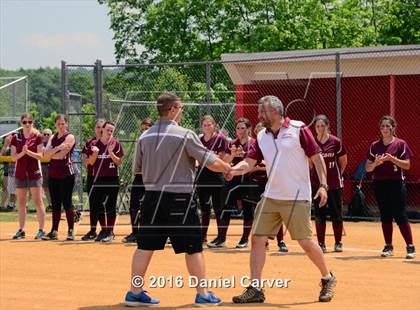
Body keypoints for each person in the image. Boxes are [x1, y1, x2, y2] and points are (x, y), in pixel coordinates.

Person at [125, 92, 231, 306]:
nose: (181, 112)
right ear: (172, 109)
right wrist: (228, 168)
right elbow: (210, 161)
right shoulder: (184, 134)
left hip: (151, 197)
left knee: (144, 247)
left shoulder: (144, 137)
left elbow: (137, 169)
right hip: (179, 200)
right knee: (193, 248)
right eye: (180, 108)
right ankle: (203, 294)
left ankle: (134, 292)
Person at [227, 96, 336, 303]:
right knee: (257, 239)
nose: (259, 115)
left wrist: (323, 185)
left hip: (297, 196)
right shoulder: (261, 136)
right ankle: (255, 289)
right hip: (271, 195)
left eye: (262, 112)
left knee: (305, 242)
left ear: (275, 112)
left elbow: (317, 157)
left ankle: (327, 278)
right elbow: (249, 162)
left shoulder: (299, 129)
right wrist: (234, 169)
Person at [365, 115, 415, 259]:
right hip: (380, 183)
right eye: (383, 126)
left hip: (396, 183)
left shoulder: (400, 144)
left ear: (393, 128)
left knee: (400, 215)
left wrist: (392, 159)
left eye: (388, 126)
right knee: (385, 215)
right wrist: (376, 163)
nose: (385, 129)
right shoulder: (375, 145)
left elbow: (407, 165)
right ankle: (388, 246)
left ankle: (410, 246)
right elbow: (368, 168)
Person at [207, 118, 254, 248]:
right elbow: (226, 162)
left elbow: (253, 162)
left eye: (243, 128)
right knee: (225, 208)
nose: (240, 131)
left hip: (247, 180)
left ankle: (244, 239)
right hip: (232, 180)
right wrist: (233, 154)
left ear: (249, 129)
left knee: (247, 209)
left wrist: (244, 156)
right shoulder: (232, 143)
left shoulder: (254, 143)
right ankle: (221, 238)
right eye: (238, 128)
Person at [310, 115, 347, 253]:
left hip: (334, 184)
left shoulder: (335, 142)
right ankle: (321, 243)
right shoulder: (312, 142)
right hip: (317, 184)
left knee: (336, 213)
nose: (320, 129)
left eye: (322, 126)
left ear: (327, 126)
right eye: (317, 126)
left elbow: (343, 161)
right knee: (320, 214)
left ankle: (338, 242)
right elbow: (310, 162)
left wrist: (337, 174)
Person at [251, 122, 288, 252]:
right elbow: (251, 164)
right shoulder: (255, 145)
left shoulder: (273, 144)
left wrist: (262, 165)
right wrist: (259, 166)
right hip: (257, 182)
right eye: (258, 130)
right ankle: (264, 240)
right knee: (259, 213)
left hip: (272, 182)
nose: (261, 133)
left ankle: (281, 241)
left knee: (277, 212)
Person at [9, 114, 46, 239]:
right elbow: (13, 157)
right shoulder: (16, 137)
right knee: (21, 202)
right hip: (20, 172)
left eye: (30, 122)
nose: (27, 124)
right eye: (25, 122)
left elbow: (41, 156)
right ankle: (21, 229)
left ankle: (41, 230)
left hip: (34, 172)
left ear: (33, 122)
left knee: (37, 201)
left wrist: (28, 152)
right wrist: (22, 153)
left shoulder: (38, 137)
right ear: (21, 123)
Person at [87, 121, 124, 243]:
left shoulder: (115, 143)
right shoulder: (94, 144)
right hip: (98, 178)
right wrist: (96, 153)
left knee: (110, 205)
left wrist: (110, 153)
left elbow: (119, 162)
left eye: (111, 130)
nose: (109, 132)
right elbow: (91, 162)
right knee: (98, 205)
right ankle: (103, 230)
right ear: (102, 129)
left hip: (112, 178)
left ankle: (110, 231)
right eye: (107, 129)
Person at [42, 114, 76, 241]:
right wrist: (58, 148)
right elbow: (45, 154)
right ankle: (54, 231)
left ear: (66, 124)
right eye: (58, 124)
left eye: (63, 123)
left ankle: (70, 231)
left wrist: (53, 152)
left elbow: (61, 156)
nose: (61, 126)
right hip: (53, 174)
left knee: (67, 202)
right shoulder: (53, 137)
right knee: (55, 203)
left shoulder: (70, 137)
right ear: (55, 125)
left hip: (66, 173)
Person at [195, 115, 228, 244]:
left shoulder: (220, 139)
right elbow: (199, 158)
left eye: (210, 125)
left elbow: (218, 158)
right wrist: (208, 158)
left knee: (218, 207)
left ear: (214, 125)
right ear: (202, 127)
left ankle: (221, 237)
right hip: (202, 176)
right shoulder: (199, 139)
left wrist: (206, 158)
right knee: (204, 207)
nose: (207, 127)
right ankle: (203, 236)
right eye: (205, 125)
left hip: (216, 176)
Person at [122, 118, 154, 243]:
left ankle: (148, 232)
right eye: (143, 129)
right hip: (139, 177)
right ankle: (135, 232)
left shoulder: (156, 142)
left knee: (150, 206)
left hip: (152, 178)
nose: (144, 131)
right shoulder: (140, 141)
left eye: (147, 129)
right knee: (133, 205)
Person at [80, 118, 105, 241]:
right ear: (94, 129)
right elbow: (84, 159)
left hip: (105, 177)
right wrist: (88, 160)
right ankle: (93, 230)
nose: (100, 130)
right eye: (98, 127)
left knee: (102, 204)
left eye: (102, 127)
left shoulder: (108, 142)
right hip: (92, 176)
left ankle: (106, 230)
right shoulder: (90, 143)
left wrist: (91, 159)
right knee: (93, 204)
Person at [1, 135, 17, 211]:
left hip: (16, 172)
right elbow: (1, 155)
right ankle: (2, 205)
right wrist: (5, 144)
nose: (9, 139)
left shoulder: (17, 146)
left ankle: (11, 205)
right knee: (6, 189)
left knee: (14, 190)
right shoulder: (6, 148)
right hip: (7, 171)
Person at [41, 128, 52, 211]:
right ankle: (50, 204)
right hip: (42, 166)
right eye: (44, 134)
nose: (46, 136)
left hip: (52, 166)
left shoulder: (53, 143)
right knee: (45, 186)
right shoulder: (40, 144)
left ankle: (56, 204)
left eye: (48, 134)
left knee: (53, 186)